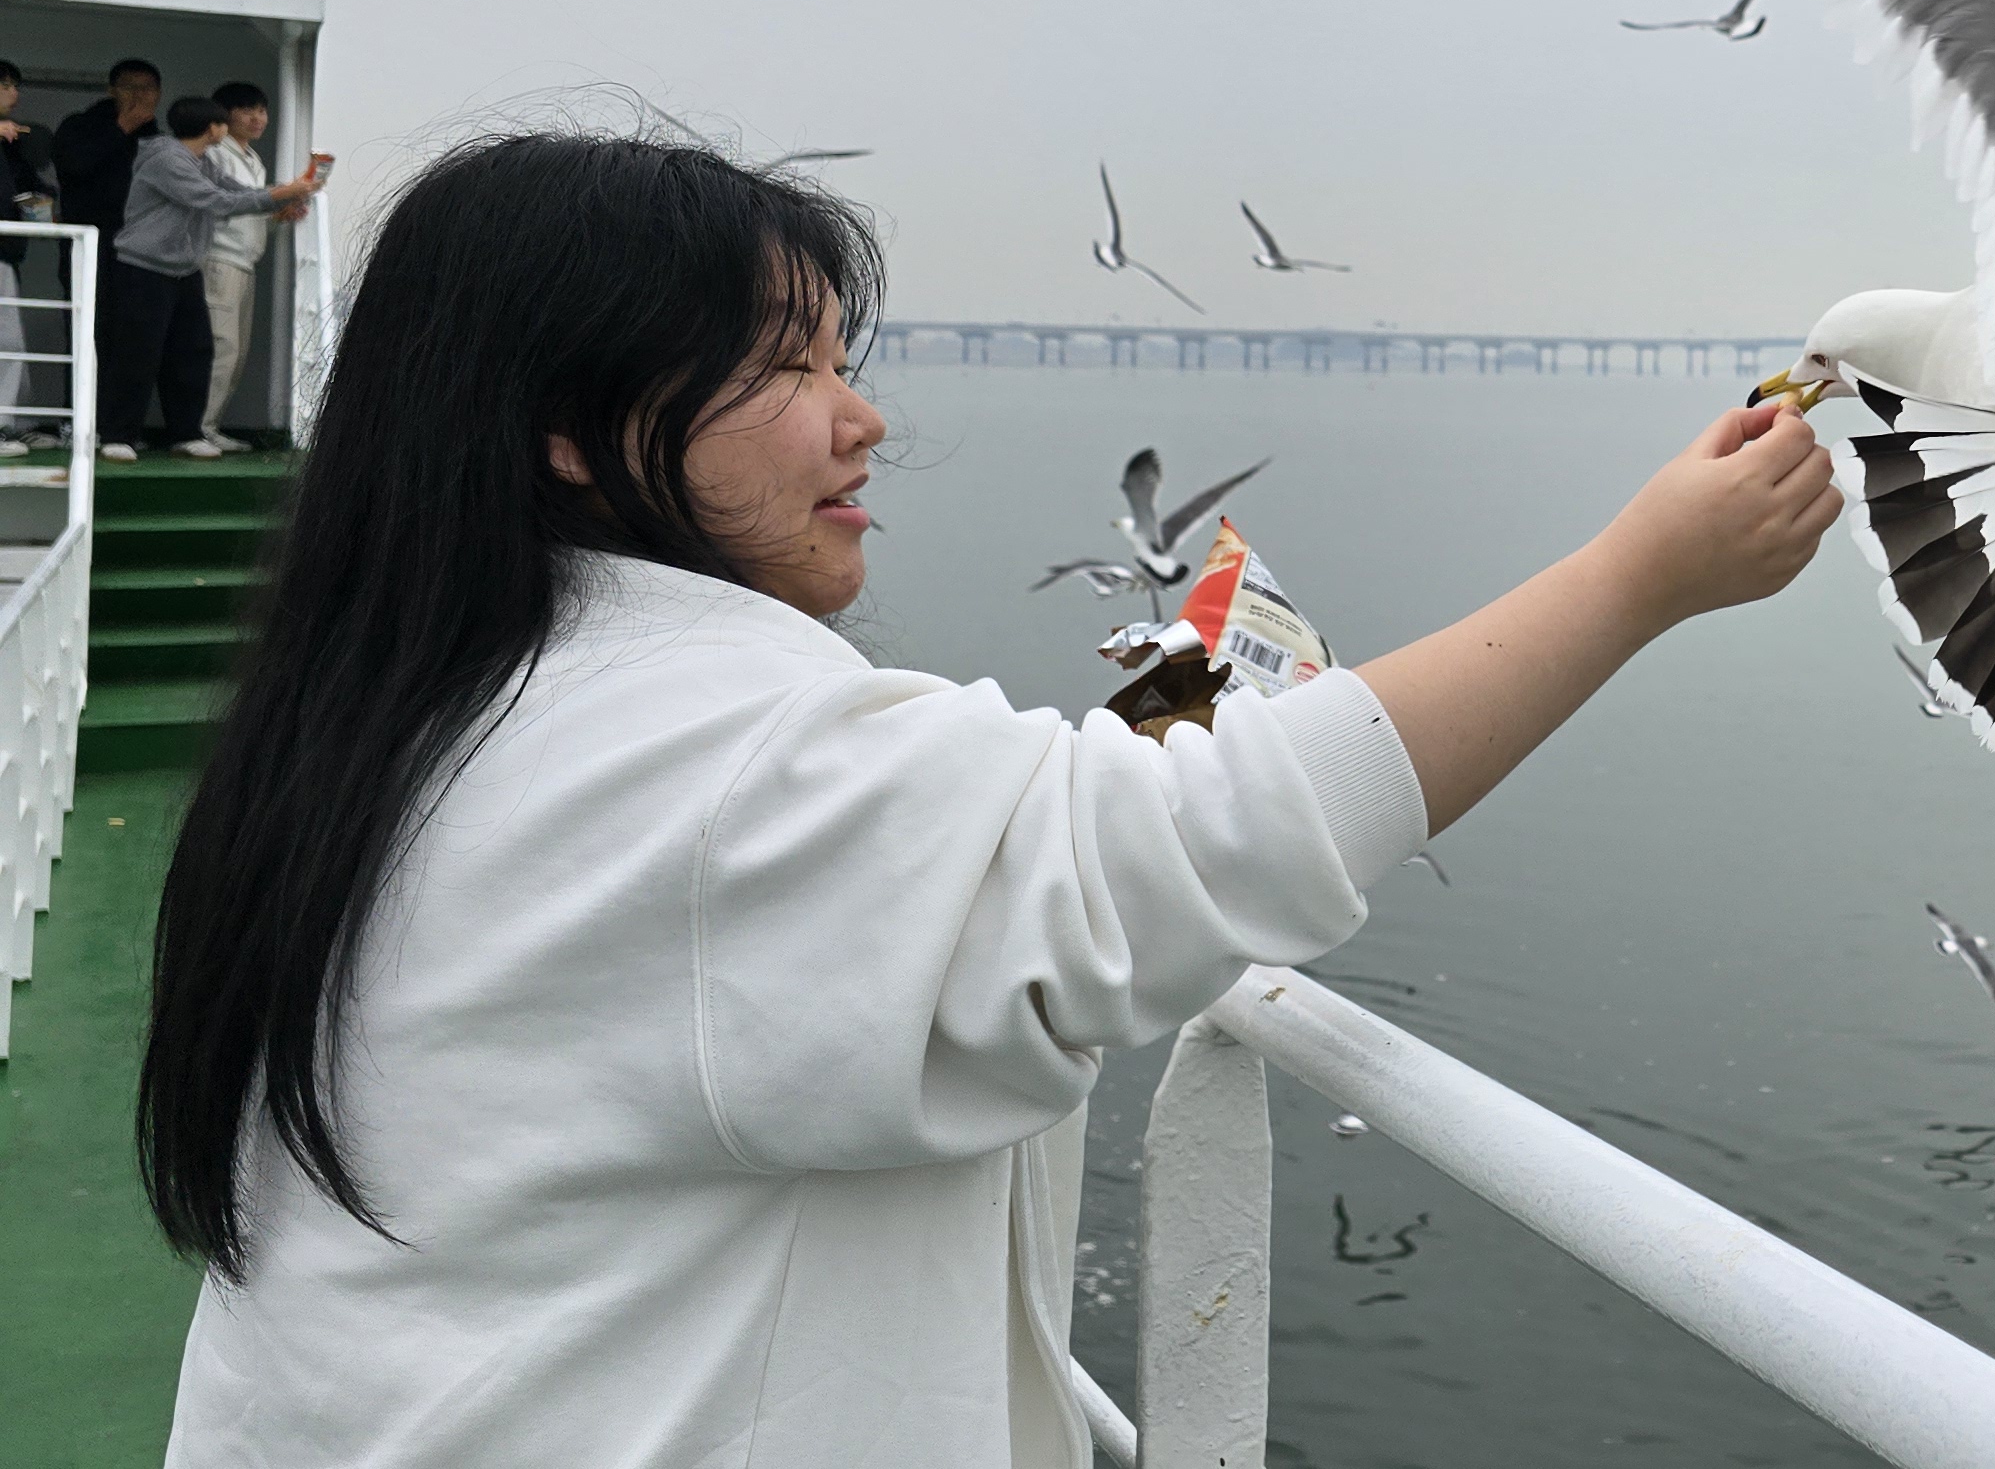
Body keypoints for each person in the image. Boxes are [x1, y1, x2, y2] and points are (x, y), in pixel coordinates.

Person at [137, 130, 1840, 1466]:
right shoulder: (687, 751)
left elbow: (941, 860)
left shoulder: (430, 704)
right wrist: (1640, 577)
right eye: (792, 367)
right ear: (573, 431)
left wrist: (1188, 689)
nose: (864, 420)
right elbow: (1164, 860)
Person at [98, 97, 321, 461]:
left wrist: (281, 195)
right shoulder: (167, 158)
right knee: (138, 352)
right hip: (144, 268)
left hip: (184, 269)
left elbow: (236, 190)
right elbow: (215, 201)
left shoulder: (202, 160)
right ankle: (117, 435)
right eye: (222, 124)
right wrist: (281, 194)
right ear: (213, 128)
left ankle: (186, 433)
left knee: (193, 351)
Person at [197, 81, 277, 450]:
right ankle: (198, 428)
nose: (258, 118)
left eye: (261, 110)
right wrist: (280, 195)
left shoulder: (252, 159)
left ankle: (209, 426)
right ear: (225, 115)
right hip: (220, 258)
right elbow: (222, 204)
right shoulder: (217, 155)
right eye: (247, 110)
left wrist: (279, 212)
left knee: (237, 352)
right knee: (222, 347)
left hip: (244, 262)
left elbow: (249, 212)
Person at [0, 61, 53, 461]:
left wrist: (41, 208)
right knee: (7, 342)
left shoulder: (10, 142)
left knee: (11, 342)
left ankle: (14, 423)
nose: (14, 94)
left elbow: (27, 189)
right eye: (5, 85)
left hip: (6, 254)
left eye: (15, 86)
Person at [53, 54, 162, 237]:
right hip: (90, 235)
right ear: (112, 91)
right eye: (129, 87)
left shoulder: (158, 140)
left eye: (147, 88)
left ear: (158, 94)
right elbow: (73, 165)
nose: (139, 95)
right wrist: (123, 127)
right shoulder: (80, 125)